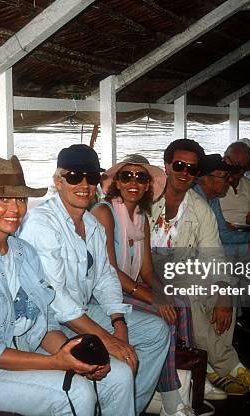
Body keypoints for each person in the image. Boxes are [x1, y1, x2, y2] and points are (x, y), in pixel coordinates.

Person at [0, 155, 120, 415]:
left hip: (18, 353)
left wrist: (70, 355)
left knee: (116, 376)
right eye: (3, 199)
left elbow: (45, 324)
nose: (15, 208)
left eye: (20, 199)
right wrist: (56, 363)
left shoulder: (24, 252)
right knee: (75, 392)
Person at [19, 144, 169, 415]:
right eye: (75, 176)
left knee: (156, 331)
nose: (84, 184)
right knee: (119, 367)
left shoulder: (92, 225)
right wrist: (109, 340)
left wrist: (118, 321)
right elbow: (57, 299)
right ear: (58, 182)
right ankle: (116, 397)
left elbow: (105, 278)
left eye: (91, 176)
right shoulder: (42, 224)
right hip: (47, 321)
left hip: (82, 311)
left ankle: (127, 406)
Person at [148, 139, 250, 402]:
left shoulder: (199, 208)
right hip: (143, 273)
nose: (185, 173)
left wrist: (224, 295)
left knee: (219, 293)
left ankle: (212, 366)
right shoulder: (147, 197)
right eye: (179, 166)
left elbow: (214, 254)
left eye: (191, 169)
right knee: (190, 296)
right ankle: (231, 366)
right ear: (167, 166)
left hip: (176, 268)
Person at [91, 154, 198, 415]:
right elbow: (110, 271)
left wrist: (162, 293)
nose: (133, 183)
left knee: (180, 303)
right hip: (104, 295)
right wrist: (152, 298)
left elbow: (147, 270)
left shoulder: (141, 218)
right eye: (126, 176)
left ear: (149, 185)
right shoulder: (104, 213)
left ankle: (179, 379)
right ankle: (172, 396)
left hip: (127, 289)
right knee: (163, 317)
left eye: (141, 177)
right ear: (116, 182)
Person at [193, 154, 250, 255]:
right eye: (225, 176)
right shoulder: (193, 202)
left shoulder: (213, 199)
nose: (230, 180)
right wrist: (248, 248)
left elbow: (223, 235)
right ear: (205, 179)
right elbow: (204, 250)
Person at [220, 142, 250, 226]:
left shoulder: (248, 184)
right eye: (237, 166)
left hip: (244, 230)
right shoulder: (215, 183)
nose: (241, 171)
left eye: (245, 167)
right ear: (225, 160)